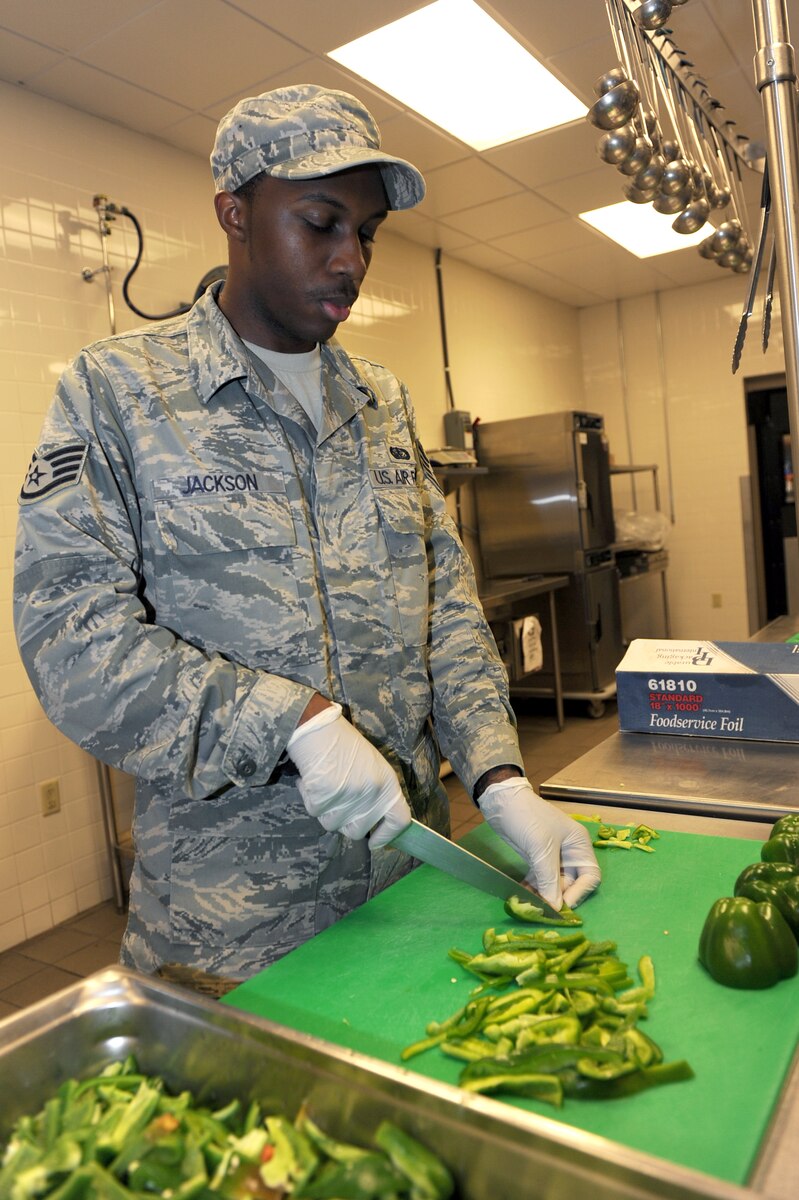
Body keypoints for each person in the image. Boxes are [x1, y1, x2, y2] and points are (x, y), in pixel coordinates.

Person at [14, 85, 600, 989]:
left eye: (366, 232)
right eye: (320, 221)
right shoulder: (116, 392)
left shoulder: (381, 400)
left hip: (410, 892)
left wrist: (498, 777)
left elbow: (444, 607)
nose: (350, 260)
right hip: (235, 931)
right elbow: (70, 644)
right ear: (234, 213)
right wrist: (291, 721)